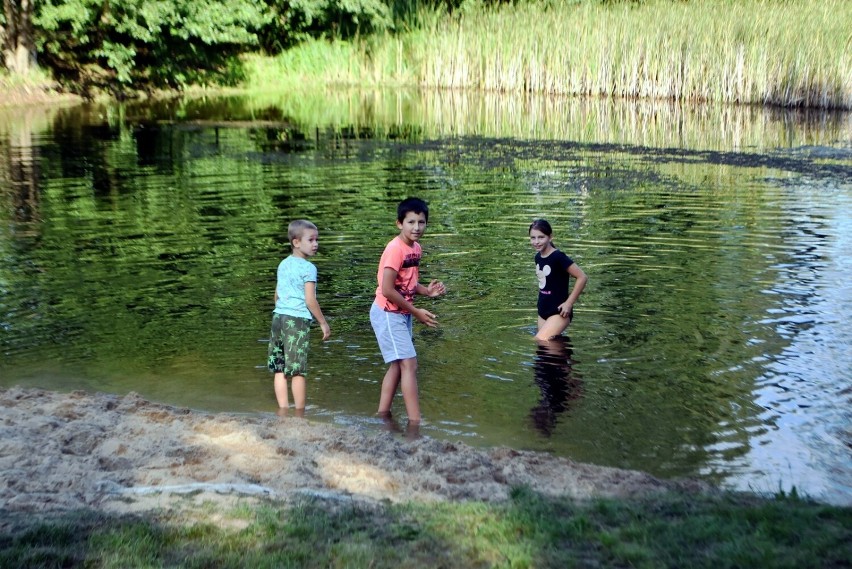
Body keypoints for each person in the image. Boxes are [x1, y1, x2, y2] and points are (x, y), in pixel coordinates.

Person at [370, 197, 446, 424]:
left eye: (421, 222)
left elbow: (407, 285)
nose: (417, 227)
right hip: (387, 312)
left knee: (398, 364)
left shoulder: (415, 248)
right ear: (399, 224)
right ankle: (415, 422)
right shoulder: (395, 250)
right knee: (409, 363)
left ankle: (383, 414)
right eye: (411, 222)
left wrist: (427, 292)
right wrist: (416, 312)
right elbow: (387, 289)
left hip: (400, 313)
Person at [267, 219, 331, 414]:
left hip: (278, 318)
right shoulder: (309, 268)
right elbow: (310, 300)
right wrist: (323, 323)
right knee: (297, 371)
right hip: (297, 321)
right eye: (311, 240)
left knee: (280, 368)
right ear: (296, 242)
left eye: (317, 240)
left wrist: (283, 309)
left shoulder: (283, 264)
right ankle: (300, 415)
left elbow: (276, 295)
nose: (316, 244)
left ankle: (283, 411)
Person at [529, 219, 588, 341]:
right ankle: (566, 358)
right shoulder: (538, 257)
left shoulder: (558, 257)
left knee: (540, 341)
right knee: (545, 353)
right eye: (533, 238)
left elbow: (582, 277)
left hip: (559, 312)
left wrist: (569, 304)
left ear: (550, 237)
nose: (536, 242)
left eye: (541, 237)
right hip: (543, 310)